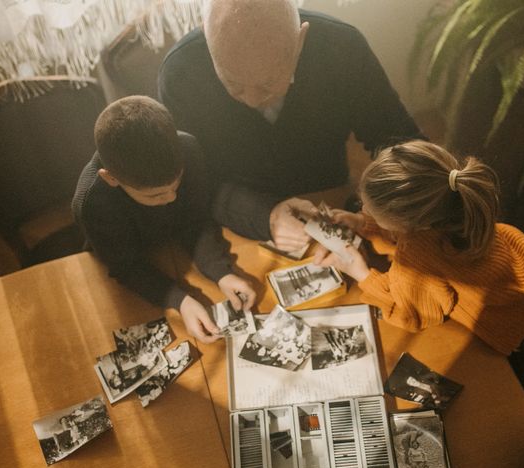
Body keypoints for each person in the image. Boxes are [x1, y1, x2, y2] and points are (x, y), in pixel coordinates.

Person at [314, 139, 524, 426]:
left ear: (405, 226)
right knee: (523, 271)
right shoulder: (456, 202)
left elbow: (410, 313)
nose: (366, 212)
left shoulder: (416, 257)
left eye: (370, 211)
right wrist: (363, 224)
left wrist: (362, 273)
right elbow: (419, 242)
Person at [158, 0, 424, 252]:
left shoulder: (342, 47)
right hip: (236, 216)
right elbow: (193, 180)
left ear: (300, 41)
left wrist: (373, 215)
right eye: (233, 83)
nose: (251, 101)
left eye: (267, 84)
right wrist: (266, 216)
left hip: (331, 198)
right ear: (207, 38)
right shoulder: (179, 73)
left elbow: (400, 142)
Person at [72, 95, 256, 343]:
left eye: (177, 182)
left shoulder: (188, 148)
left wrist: (221, 273)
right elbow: (125, 265)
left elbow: (196, 221)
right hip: (131, 266)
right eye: (156, 194)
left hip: (178, 253)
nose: (171, 198)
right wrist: (178, 301)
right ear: (111, 178)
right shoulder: (91, 201)